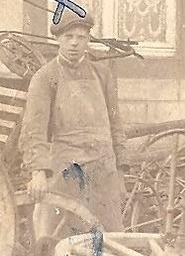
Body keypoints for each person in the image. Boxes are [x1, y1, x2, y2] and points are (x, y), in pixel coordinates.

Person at [20, 13, 127, 236]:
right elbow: (34, 128)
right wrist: (38, 171)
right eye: (69, 36)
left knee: (110, 238)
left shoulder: (103, 75)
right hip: (66, 170)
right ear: (58, 39)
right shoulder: (45, 77)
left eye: (81, 37)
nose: (75, 43)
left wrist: (120, 173)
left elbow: (116, 125)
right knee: (55, 238)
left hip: (103, 171)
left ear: (88, 40)